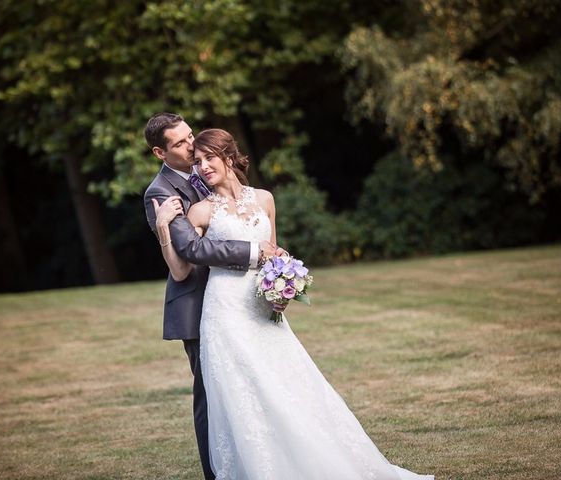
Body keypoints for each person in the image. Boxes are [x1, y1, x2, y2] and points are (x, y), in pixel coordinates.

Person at [158, 128, 434, 479]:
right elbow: (182, 268)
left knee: (289, 384)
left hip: (261, 310)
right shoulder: (200, 211)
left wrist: (283, 287)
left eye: (209, 158)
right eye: (197, 162)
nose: (203, 167)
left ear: (228, 157)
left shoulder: (265, 200)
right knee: (244, 392)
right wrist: (166, 229)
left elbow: (274, 255)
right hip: (224, 312)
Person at [143, 113, 281, 480]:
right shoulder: (161, 194)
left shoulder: (210, 173)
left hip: (244, 301)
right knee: (212, 397)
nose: (192, 147)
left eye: (191, 137)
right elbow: (191, 253)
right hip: (201, 306)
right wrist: (256, 252)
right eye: (180, 143)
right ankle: (215, 473)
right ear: (160, 151)